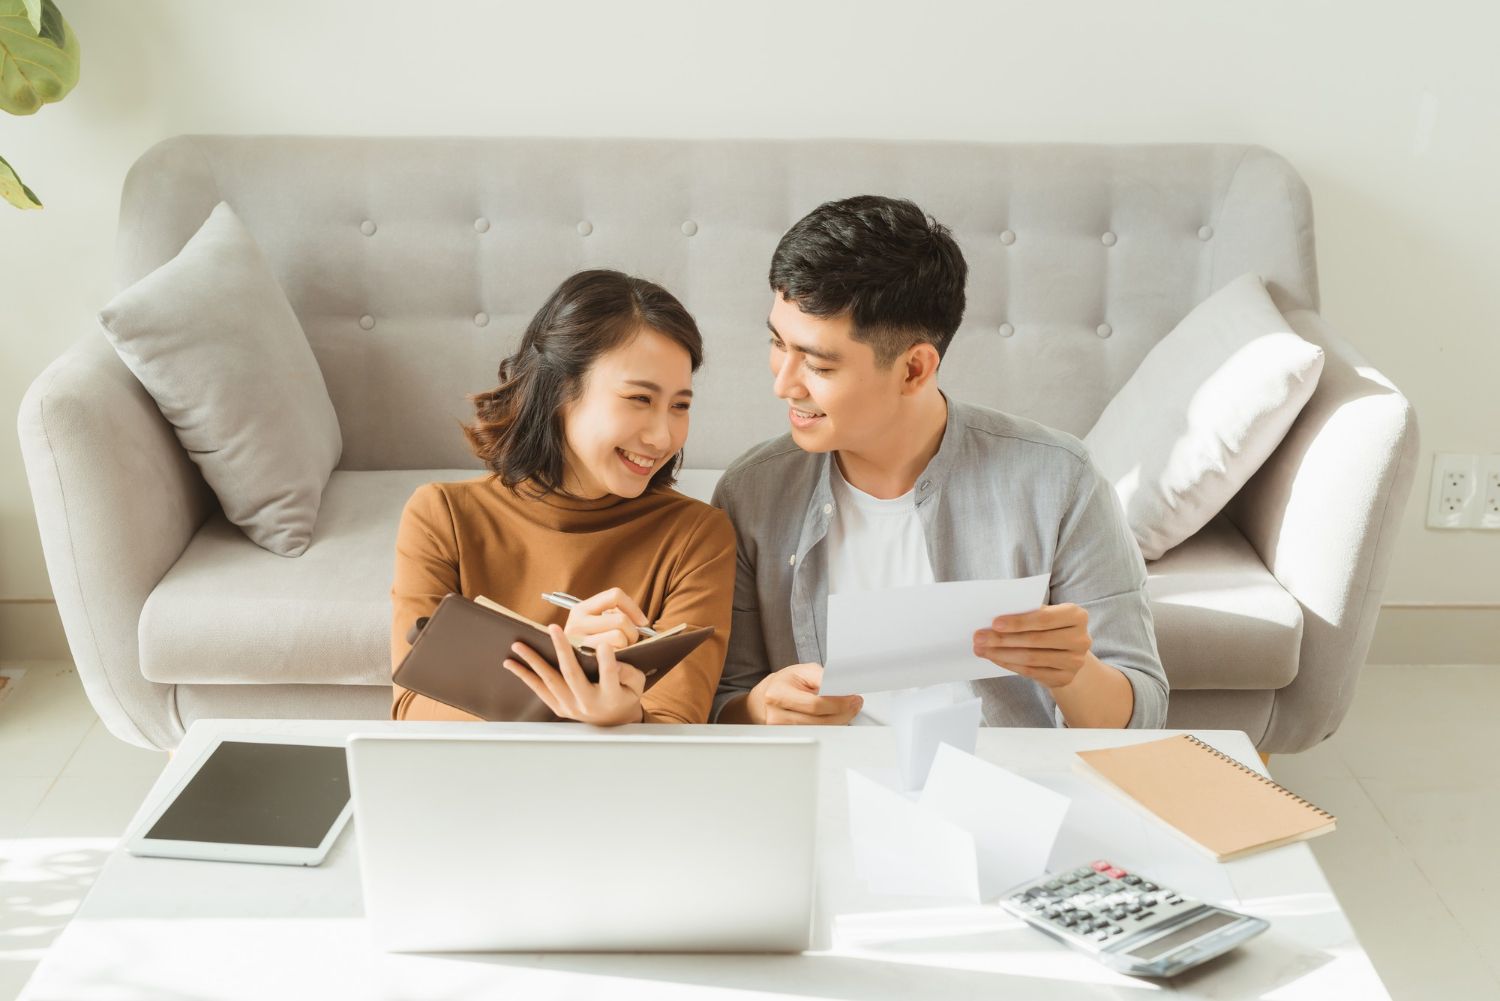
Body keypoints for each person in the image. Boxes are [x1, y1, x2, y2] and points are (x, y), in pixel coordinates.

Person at [711, 196, 1167, 729]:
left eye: (817, 365)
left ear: (914, 370)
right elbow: (723, 698)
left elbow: (1144, 714)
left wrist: (1073, 673)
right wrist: (759, 707)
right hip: (822, 787)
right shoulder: (752, 493)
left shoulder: (1059, 481)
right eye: (777, 344)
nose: (783, 383)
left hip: (999, 793)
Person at [391, 269, 736, 725]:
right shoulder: (443, 515)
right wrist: (559, 672)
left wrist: (625, 717)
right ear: (559, 392)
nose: (662, 435)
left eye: (680, 405)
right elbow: (412, 711)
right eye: (638, 398)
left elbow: (677, 724)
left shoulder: (697, 536)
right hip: (479, 786)